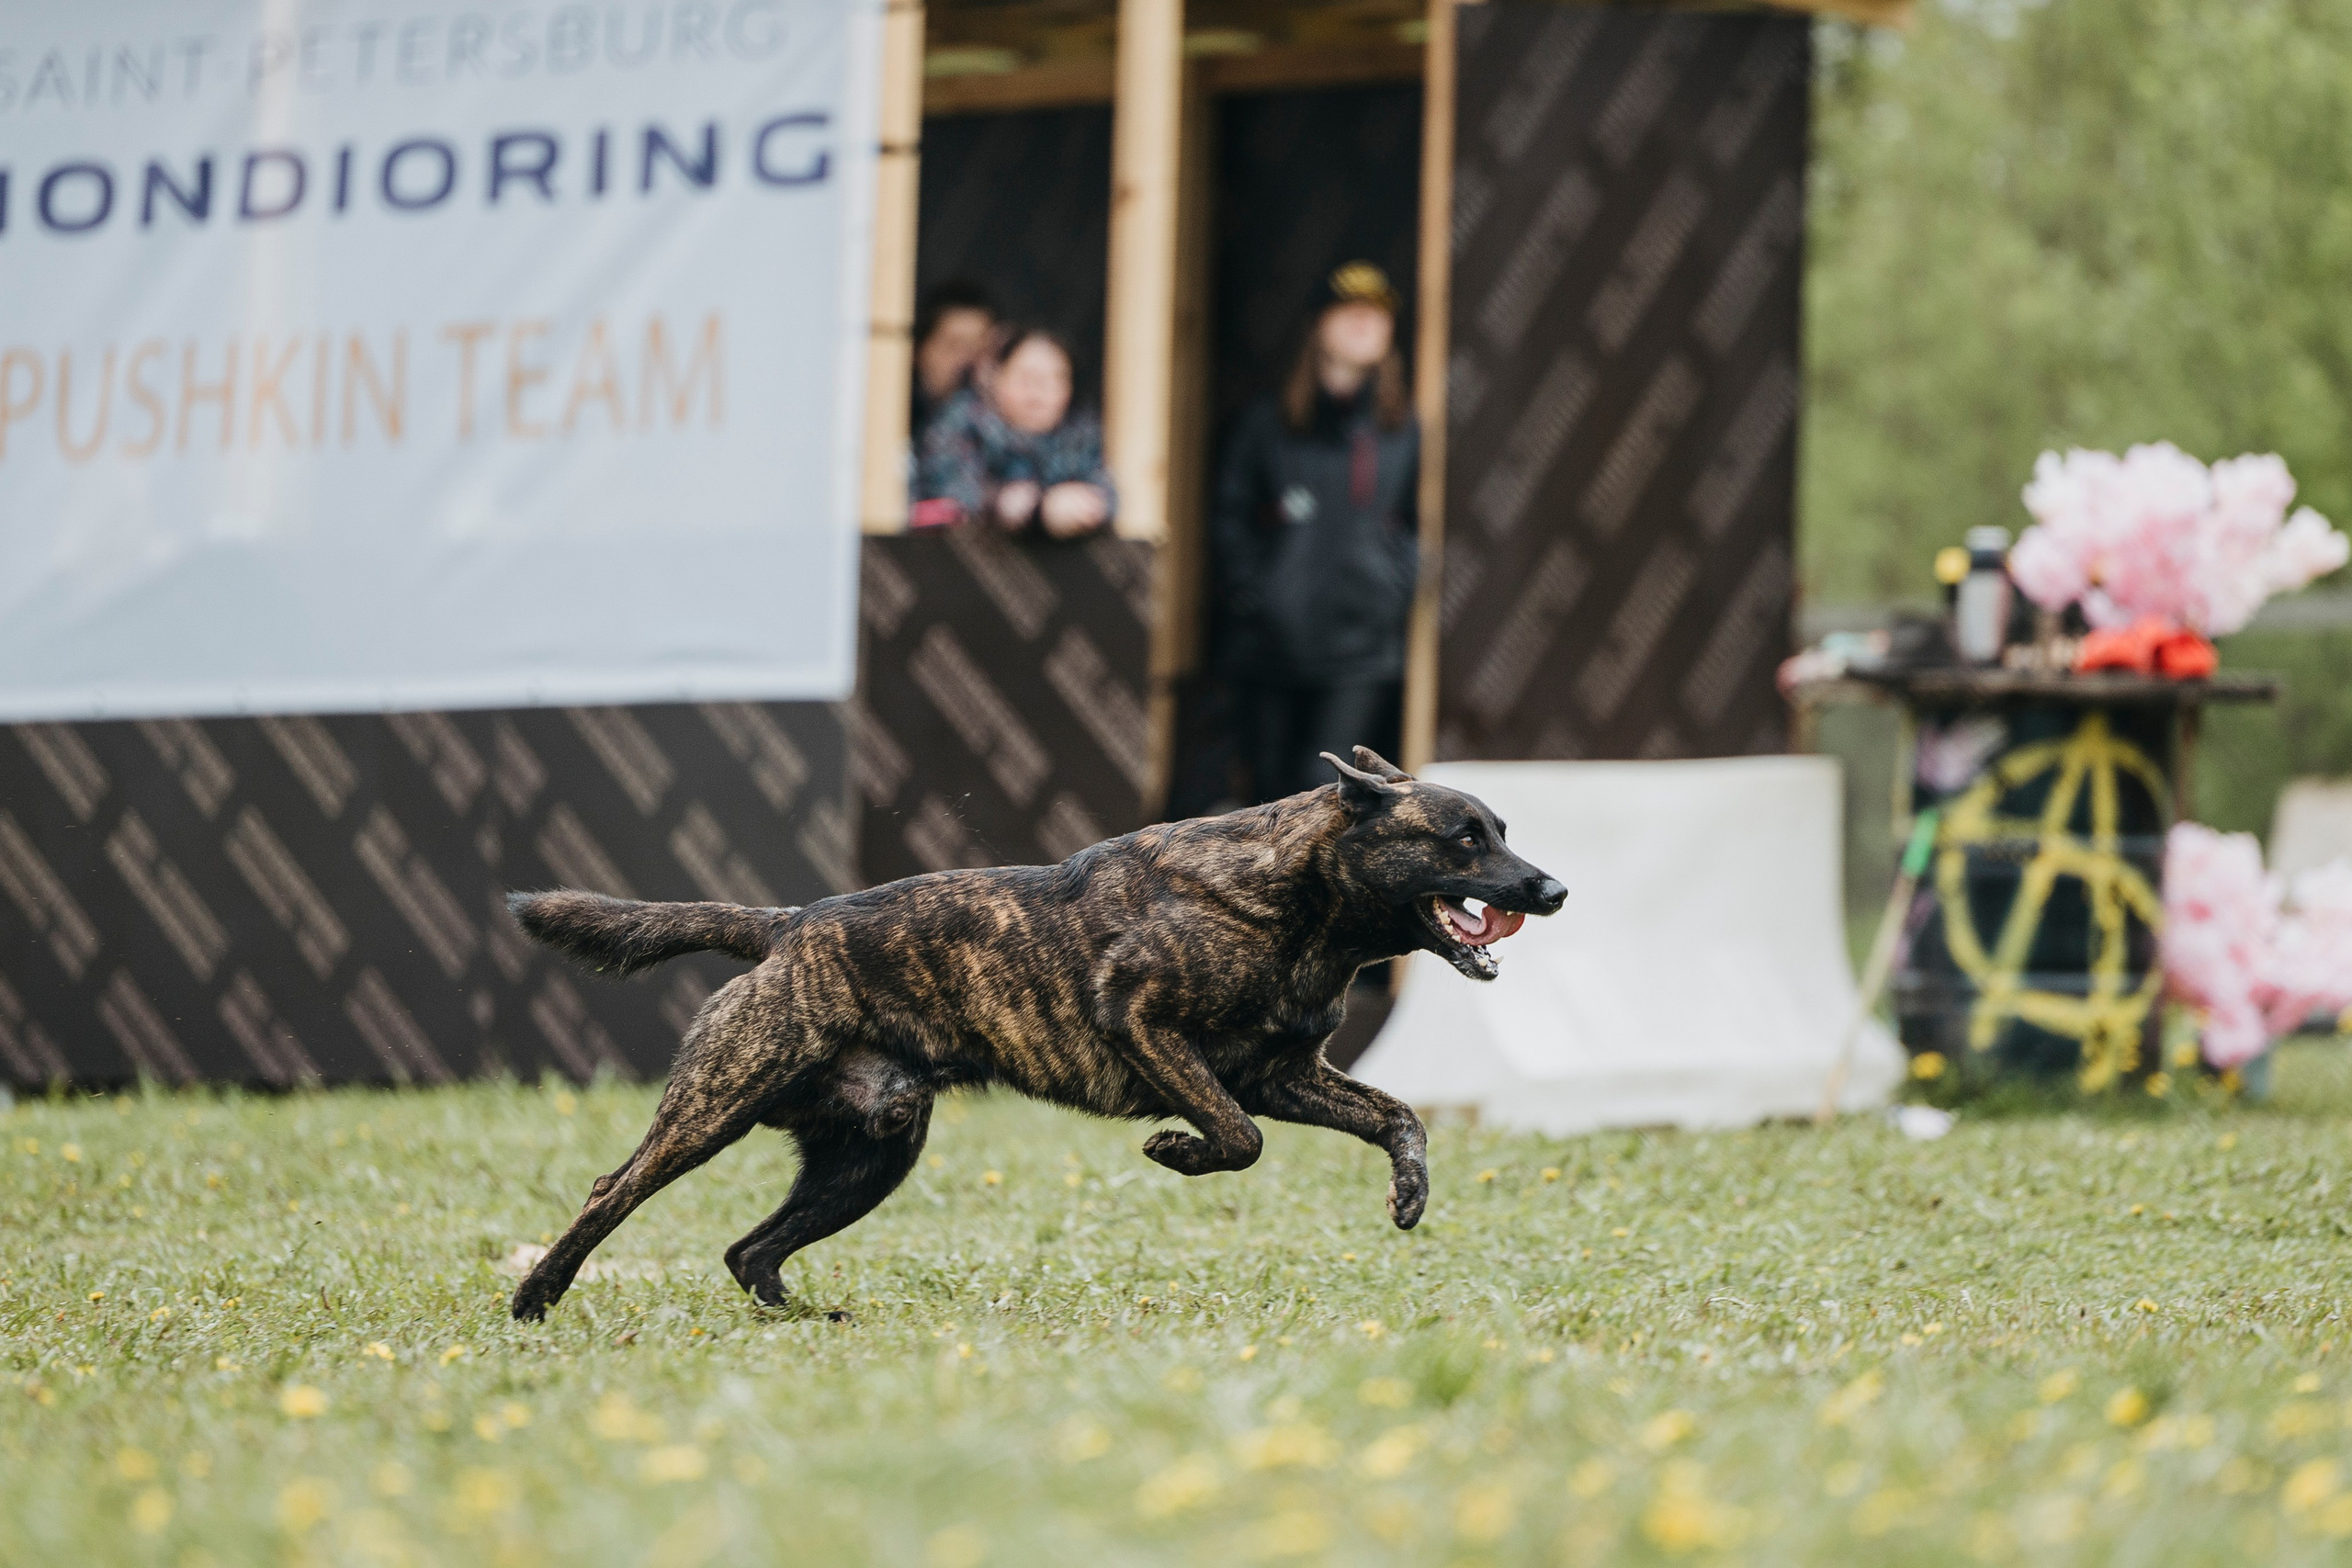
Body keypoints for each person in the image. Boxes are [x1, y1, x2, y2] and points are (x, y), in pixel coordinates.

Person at [1214, 262, 1419, 803]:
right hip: (1270, 645)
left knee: (1325, 796)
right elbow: (1230, 516)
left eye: (1376, 315)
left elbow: (1422, 524)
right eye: (1349, 312)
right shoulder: (1267, 423)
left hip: (1362, 648)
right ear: (1318, 326)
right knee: (1265, 798)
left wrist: (1392, 591)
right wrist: (1254, 593)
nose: (1364, 324)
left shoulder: (1404, 427)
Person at [914, 327, 1116, 538]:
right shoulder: (960, 424)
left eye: (1054, 379)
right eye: (1026, 377)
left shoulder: (1081, 436)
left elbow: (1109, 497)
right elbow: (949, 495)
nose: (1038, 393)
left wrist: (1079, 507)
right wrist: (1000, 502)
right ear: (995, 378)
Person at [910, 279, 997, 444]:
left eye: (979, 349)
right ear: (918, 351)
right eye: (953, 346)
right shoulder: (896, 418)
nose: (968, 360)